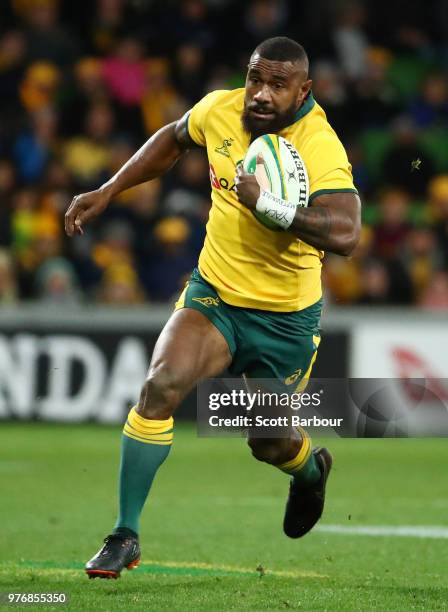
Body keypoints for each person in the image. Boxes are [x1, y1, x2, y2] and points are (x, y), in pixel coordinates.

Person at [65, 36, 360, 579]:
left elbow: (346, 233)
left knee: (268, 442)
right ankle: (124, 533)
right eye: (255, 78)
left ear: (304, 91)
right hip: (215, 294)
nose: (261, 94)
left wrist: (269, 206)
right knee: (160, 385)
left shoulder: (319, 144)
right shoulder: (218, 109)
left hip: (286, 317)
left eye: (277, 84)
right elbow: (173, 139)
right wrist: (109, 189)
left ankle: (310, 472)